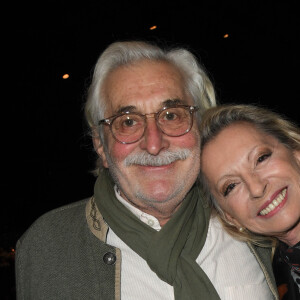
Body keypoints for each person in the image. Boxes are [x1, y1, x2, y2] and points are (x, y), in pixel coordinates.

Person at [16, 41, 278, 300]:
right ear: (100, 144)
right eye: (128, 121)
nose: (153, 144)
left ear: (200, 126)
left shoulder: (253, 220)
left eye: (171, 115)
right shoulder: (47, 246)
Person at [200, 104, 300, 299]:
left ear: (296, 153)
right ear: (231, 218)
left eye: (261, 158)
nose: (256, 188)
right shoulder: (280, 285)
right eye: (231, 186)